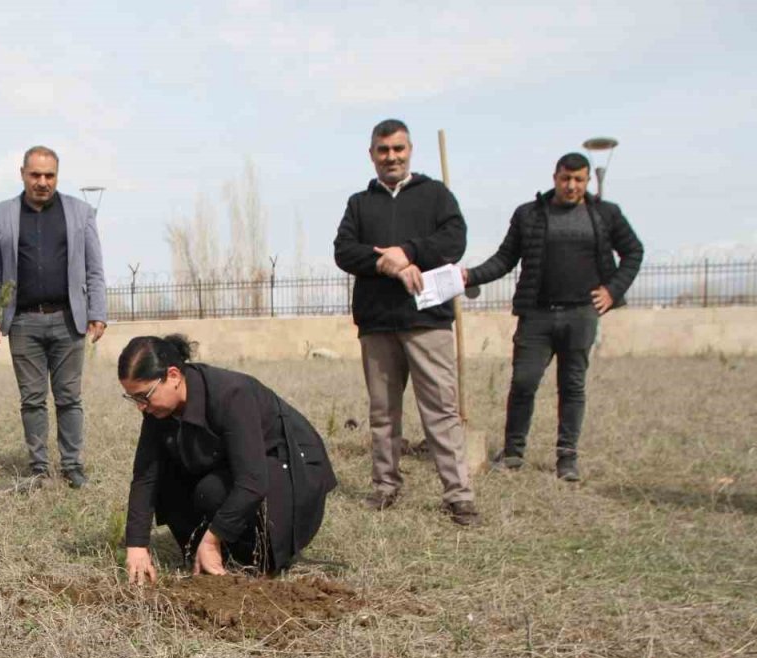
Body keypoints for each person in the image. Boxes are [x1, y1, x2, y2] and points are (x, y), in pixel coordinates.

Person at [463, 153, 643, 481]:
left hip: (581, 315)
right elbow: (505, 258)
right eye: (565, 178)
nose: (571, 185)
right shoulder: (529, 215)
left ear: (587, 181)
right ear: (555, 177)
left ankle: (567, 458)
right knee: (523, 382)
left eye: (578, 180)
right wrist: (470, 276)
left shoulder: (605, 214)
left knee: (572, 385)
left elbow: (633, 252)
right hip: (536, 315)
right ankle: (514, 452)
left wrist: (613, 290)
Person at [333, 118, 478, 526]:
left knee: (441, 411)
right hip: (377, 325)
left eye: (398, 149)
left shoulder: (435, 196)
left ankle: (458, 494)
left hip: (427, 321)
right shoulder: (359, 204)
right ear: (372, 155)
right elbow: (344, 251)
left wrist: (407, 251)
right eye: (383, 150)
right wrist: (383, 262)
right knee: (383, 412)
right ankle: (385, 485)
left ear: (410, 150)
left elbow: (454, 240)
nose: (391, 157)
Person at [121, 335, 337, 586]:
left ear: (173, 376)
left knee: (212, 491)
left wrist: (213, 539)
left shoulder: (232, 394)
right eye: (133, 398)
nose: (140, 406)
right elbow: (146, 475)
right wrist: (136, 545)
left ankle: (262, 557)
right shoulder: (157, 409)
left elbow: (252, 480)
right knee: (169, 480)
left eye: (144, 395)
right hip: (243, 469)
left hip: (291, 474)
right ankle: (209, 553)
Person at [0, 146, 107, 489]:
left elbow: (94, 268)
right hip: (23, 322)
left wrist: (97, 311)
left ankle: (72, 465)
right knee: (32, 399)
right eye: (35, 175)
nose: (42, 182)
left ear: (57, 176)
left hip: (68, 321)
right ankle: (38, 467)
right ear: (22, 174)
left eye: (49, 175)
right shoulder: (1, 214)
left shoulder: (80, 213)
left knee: (69, 397)